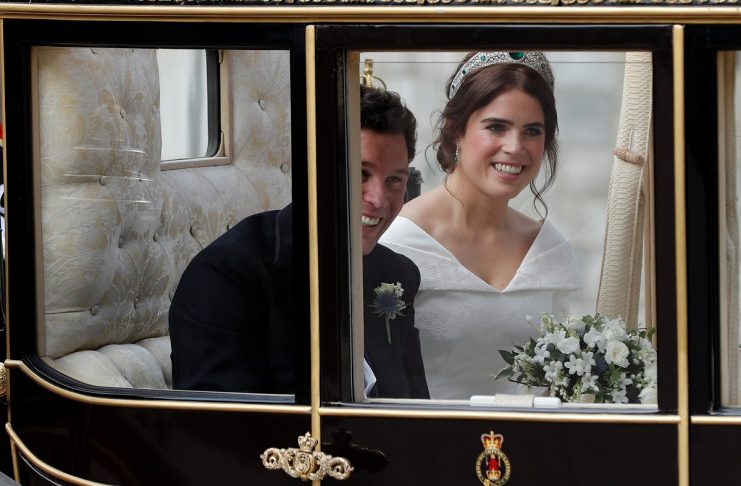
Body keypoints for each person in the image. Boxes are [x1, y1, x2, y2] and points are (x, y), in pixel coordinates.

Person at [169, 85, 429, 399]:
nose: (378, 199)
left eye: (394, 180)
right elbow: (218, 432)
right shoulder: (226, 275)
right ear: (313, 170)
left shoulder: (397, 273)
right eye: (360, 173)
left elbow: (416, 407)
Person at [380, 52, 581, 399]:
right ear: (456, 129)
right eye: (496, 127)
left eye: (533, 131)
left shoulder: (548, 248)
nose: (515, 148)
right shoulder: (397, 241)